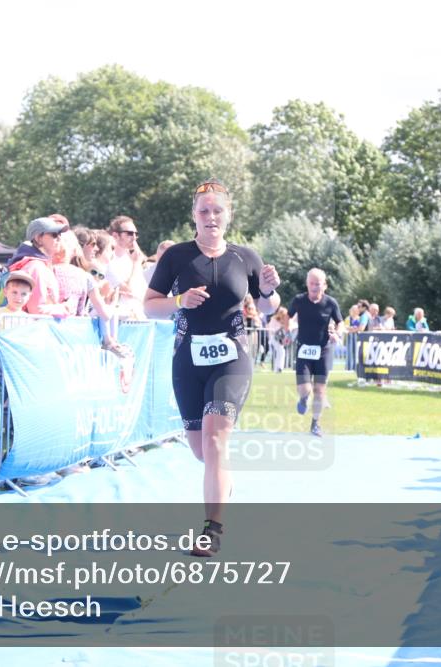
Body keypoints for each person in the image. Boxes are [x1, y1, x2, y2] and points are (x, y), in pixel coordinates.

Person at [144, 179, 280, 557]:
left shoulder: (245, 257)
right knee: (203, 451)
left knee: (217, 439)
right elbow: (149, 305)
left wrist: (269, 290)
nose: (211, 217)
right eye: (203, 210)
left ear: (228, 215)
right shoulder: (176, 257)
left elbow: (268, 307)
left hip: (232, 356)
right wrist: (179, 301)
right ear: (193, 216)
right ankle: (221, 484)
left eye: (217, 210)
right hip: (188, 357)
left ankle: (212, 530)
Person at [289, 268, 343, 437]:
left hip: (324, 350)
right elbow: (287, 316)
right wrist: (288, 328)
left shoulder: (330, 303)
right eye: (311, 283)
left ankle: (315, 424)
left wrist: (337, 333)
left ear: (324, 285)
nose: (314, 287)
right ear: (307, 284)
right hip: (304, 351)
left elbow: (340, 322)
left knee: (320, 390)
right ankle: (304, 399)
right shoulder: (298, 300)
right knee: (305, 389)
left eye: (318, 284)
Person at [7, 217, 76, 317]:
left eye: (59, 234)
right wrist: (64, 308)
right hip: (34, 330)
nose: (59, 238)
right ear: (39, 238)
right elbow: (37, 311)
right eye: (54, 234)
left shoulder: (39, 265)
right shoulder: (36, 267)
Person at [106, 215, 148, 319]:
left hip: (139, 315)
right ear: (115, 235)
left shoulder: (132, 259)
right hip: (121, 320)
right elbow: (129, 289)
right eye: (129, 233)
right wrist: (136, 264)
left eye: (136, 234)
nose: (134, 237)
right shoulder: (110, 262)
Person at [266, 308, 292, 373]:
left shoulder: (285, 320)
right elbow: (272, 329)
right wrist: (281, 326)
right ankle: (278, 368)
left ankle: (279, 368)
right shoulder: (274, 319)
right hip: (274, 338)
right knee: (280, 352)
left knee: (281, 352)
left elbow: (290, 327)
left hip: (281, 338)